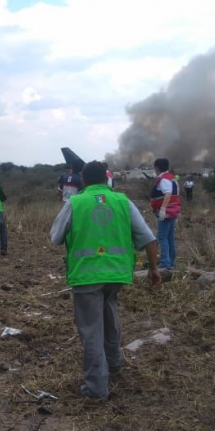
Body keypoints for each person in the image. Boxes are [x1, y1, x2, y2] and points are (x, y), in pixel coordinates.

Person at [51, 161, 160, 399]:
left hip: (86, 275)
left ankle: (96, 388)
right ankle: (114, 363)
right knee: (109, 314)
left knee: (91, 331)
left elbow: (55, 238)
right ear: (106, 179)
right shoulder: (123, 201)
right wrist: (153, 269)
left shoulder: (75, 203)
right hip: (118, 274)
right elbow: (148, 239)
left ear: (83, 180)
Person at [149, 158, 181, 270]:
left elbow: (168, 193)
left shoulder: (163, 179)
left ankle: (165, 263)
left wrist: (162, 209)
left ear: (156, 168)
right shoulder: (172, 178)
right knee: (169, 237)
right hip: (173, 211)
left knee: (162, 237)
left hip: (166, 212)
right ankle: (171, 262)